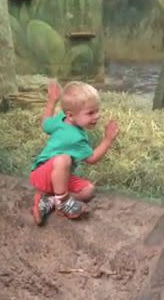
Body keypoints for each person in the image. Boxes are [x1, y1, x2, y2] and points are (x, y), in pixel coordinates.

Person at [29, 80, 119, 226]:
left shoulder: (61, 119)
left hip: (58, 178)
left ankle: (50, 201)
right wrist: (108, 139)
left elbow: (45, 123)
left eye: (97, 110)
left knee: (88, 190)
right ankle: (63, 202)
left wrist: (52, 101)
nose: (97, 116)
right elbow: (92, 158)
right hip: (42, 175)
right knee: (64, 159)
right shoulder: (75, 138)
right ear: (70, 115)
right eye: (90, 113)